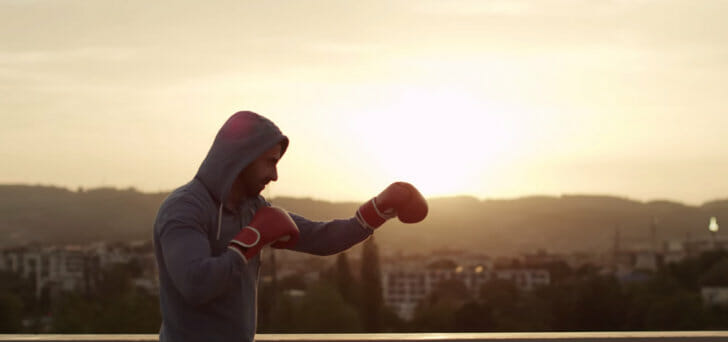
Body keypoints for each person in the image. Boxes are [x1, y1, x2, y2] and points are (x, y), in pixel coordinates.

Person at [153, 111, 428, 342]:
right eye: (270, 162)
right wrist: (250, 242)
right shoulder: (184, 209)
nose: (274, 175)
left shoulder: (253, 208)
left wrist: (376, 211)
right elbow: (195, 285)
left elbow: (321, 239)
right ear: (243, 158)